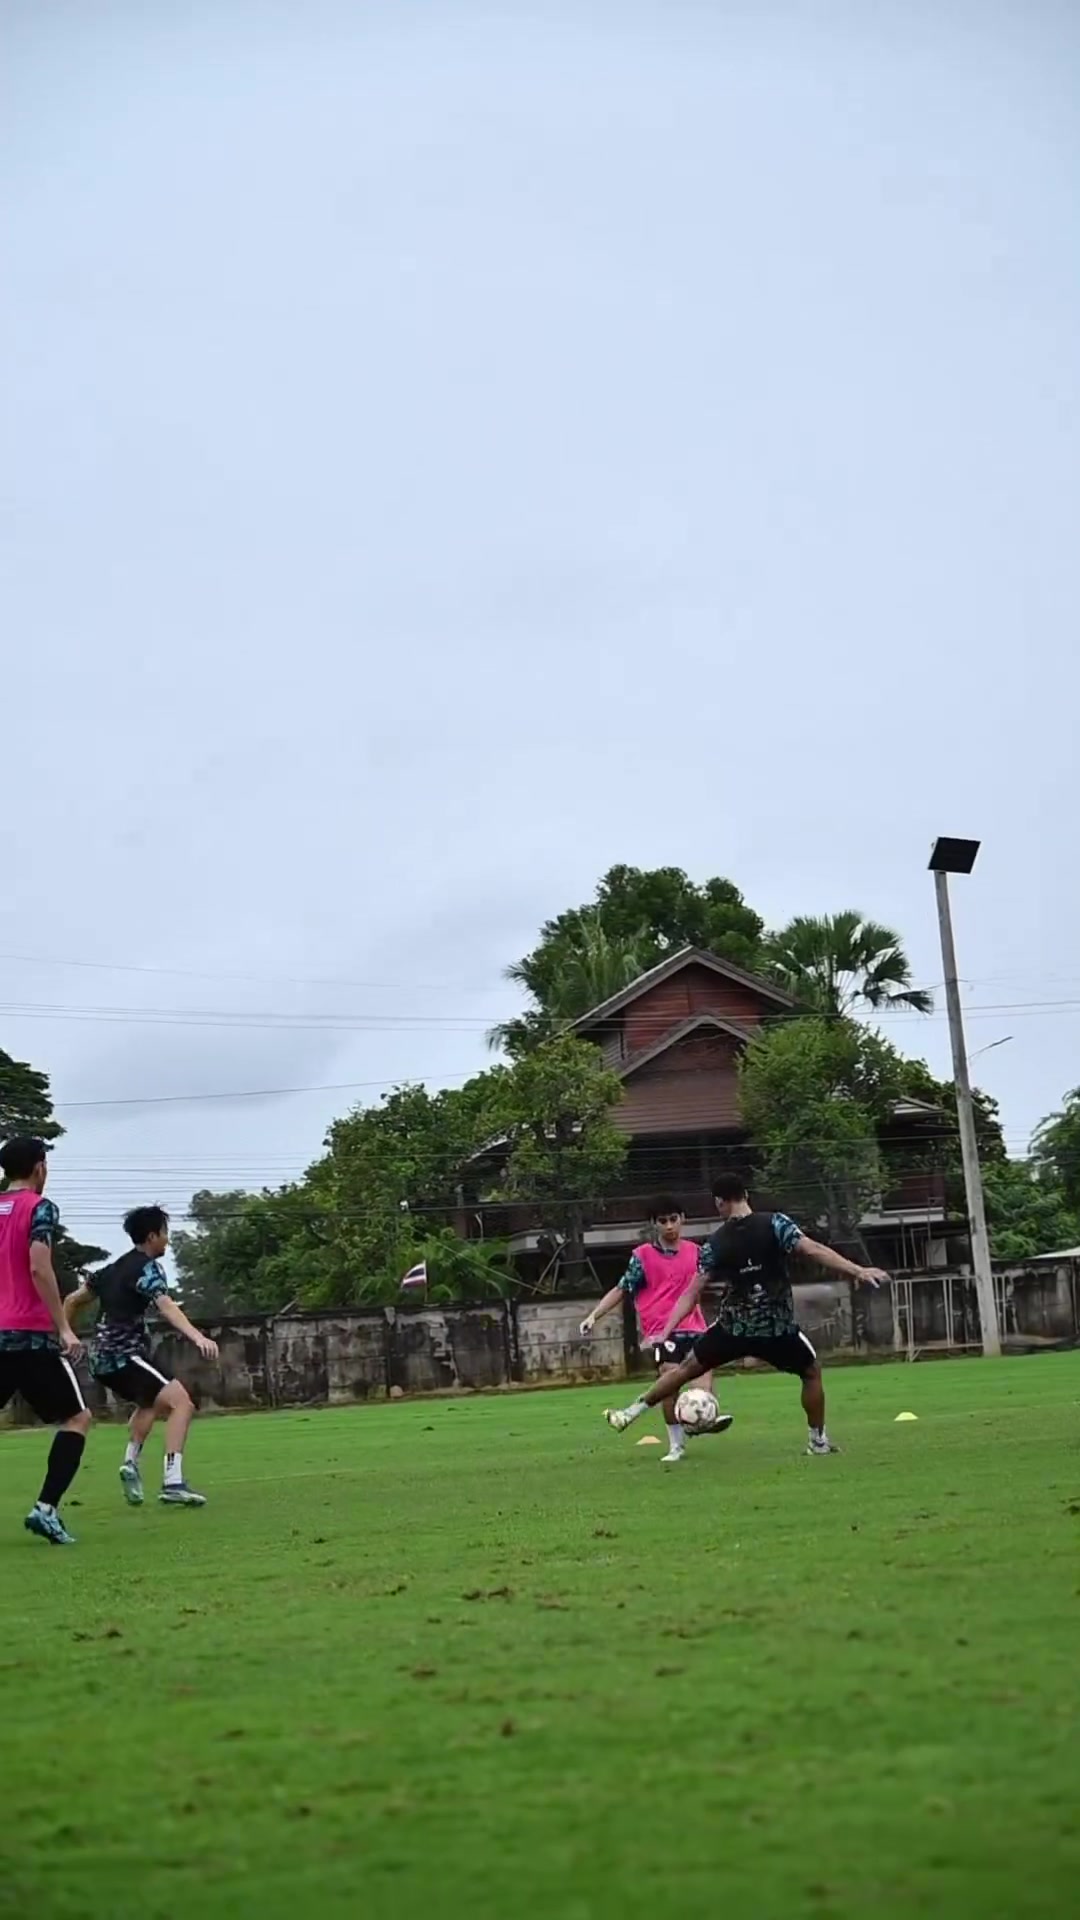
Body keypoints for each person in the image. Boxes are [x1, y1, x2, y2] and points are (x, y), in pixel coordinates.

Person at [604, 1174, 889, 1456]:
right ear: (746, 1195)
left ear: (719, 1203)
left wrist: (666, 1331)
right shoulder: (776, 1223)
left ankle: (630, 1413)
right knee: (811, 1373)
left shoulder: (714, 1243)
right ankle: (818, 1442)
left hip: (734, 1328)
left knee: (683, 1371)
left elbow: (692, 1292)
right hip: (775, 1328)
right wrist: (859, 1270)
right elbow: (812, 1250)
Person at [65, 1205, 218, 1508]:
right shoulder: (147, 1268)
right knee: (182, 1403)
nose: (167, 1241)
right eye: (165, 1234)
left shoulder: (110, 1270)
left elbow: (71, 1300)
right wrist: (198, 1336)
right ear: (152, 1236)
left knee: (149, 1402)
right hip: (124, 1356)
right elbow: (166, 1306)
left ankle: (130, 1463)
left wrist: (67, 1334)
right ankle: (173, 1482)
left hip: (102, 1359)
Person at [580, 1195, 732, 1463]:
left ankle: (703, 1418)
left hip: (695, 1328)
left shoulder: (697, 1252)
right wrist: (594, 1315)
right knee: (669, 1382)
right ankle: (676, 1445)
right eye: (663, 1221)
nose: (669, 1226)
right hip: (663, 1332)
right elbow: (621, 1289)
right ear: (654, 1224)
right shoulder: (642, 1257)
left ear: (682, 1219)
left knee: (702, 1387)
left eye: (673, 1219)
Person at [0, 1135, 92, 1544]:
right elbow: (39, 1267)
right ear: (39, 1167)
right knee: (77, 1418)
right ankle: (46, 1510)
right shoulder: (40, 1208)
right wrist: (64, 1327)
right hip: (30, 1336)